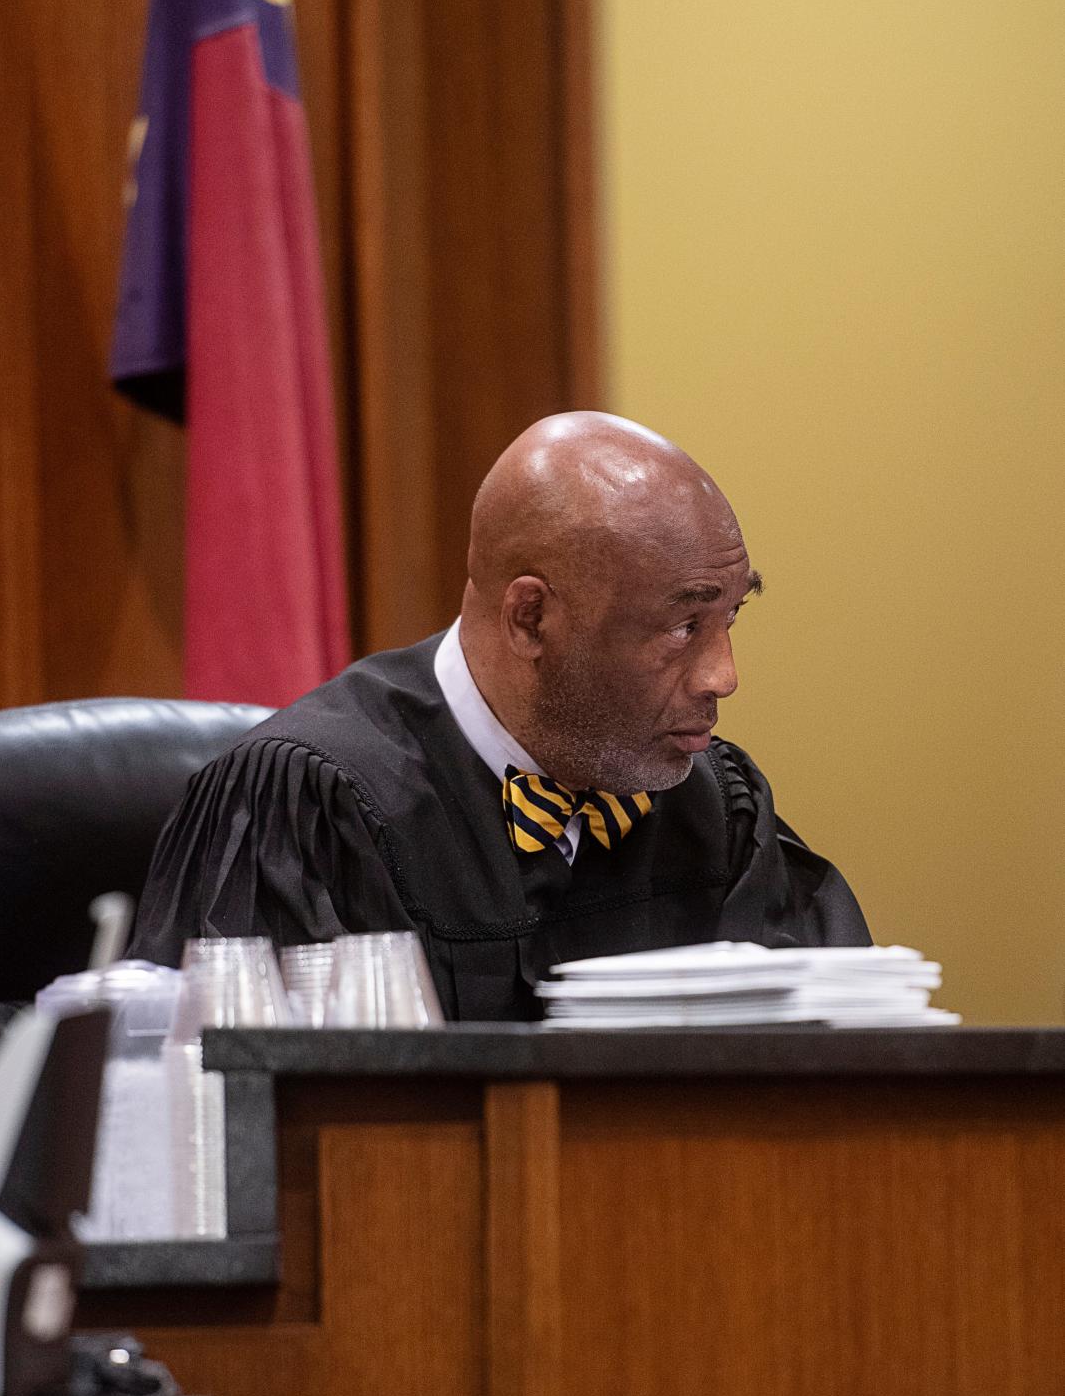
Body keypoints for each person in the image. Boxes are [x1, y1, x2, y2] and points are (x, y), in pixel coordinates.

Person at [133, 412, 868, 1019]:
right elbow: (259, 1144)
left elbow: (833, 1092)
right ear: (530, 617)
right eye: (682, 628)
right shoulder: (310, 815)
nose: (724, 676)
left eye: (731, 616)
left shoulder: (717, 811)